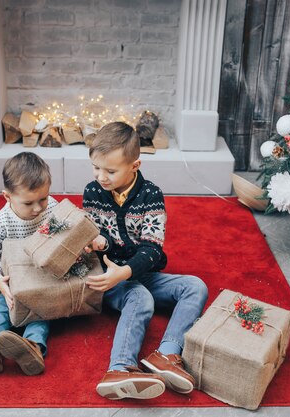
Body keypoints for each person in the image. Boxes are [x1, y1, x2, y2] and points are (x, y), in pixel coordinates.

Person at [82, 122, 209, 400]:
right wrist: (98, 240)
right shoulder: (92, 192)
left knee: (195, 286)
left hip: (138, 270)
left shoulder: (151, 195)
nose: (100, 177)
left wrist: (126, 271)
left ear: (135, 165)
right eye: (96, 168)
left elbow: (152, 249)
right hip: (107, 276)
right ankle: (119, 368)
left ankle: (167, 354)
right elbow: (90, 231)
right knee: (140, 299)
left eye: (110, 171)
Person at [0, 152, 57, 376]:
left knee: (41, 313)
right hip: (9, 281)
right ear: (7, 197)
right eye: (28, 203)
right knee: (1, 309)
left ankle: (32, 347)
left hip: (41, 280)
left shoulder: (52, 209)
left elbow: (68, 229)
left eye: (43, 198)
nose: (38, 208)